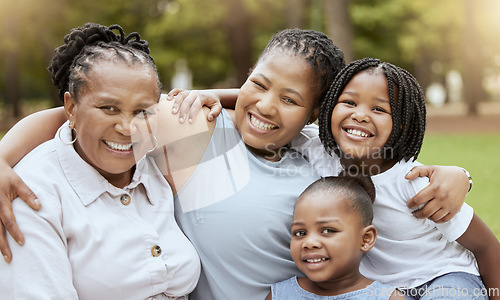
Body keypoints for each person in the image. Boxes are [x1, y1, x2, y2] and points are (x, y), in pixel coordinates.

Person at [0, 29, 471, 299]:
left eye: (289, 99)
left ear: (313, 114)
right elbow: (93, 111)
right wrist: (0, 158)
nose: (266, 106)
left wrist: (458, 177)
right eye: (258, 84)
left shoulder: (320, 156)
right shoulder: (196, 131)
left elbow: (398, 177)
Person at [0, 23, 200, 299]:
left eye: (142, 111)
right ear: (71, 108)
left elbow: (259, 103)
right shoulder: (34, 194)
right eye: (109, 108)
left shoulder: (156, 158)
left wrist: (215, 96)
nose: (128, 127)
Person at [317, 57, 500, 298]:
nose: (360, 115)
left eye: (379, 109)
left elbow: (485, 246)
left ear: (402, 124)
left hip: (445, 276)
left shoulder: (413, 181)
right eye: (349, 102)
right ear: (330, 107)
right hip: (383, 287)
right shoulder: (318, 153)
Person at [267, 175, 404, 300]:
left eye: (327, 230)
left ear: (366, 239)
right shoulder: (279, 295)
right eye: (300, 233)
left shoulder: (387, 298)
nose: (309, 243)